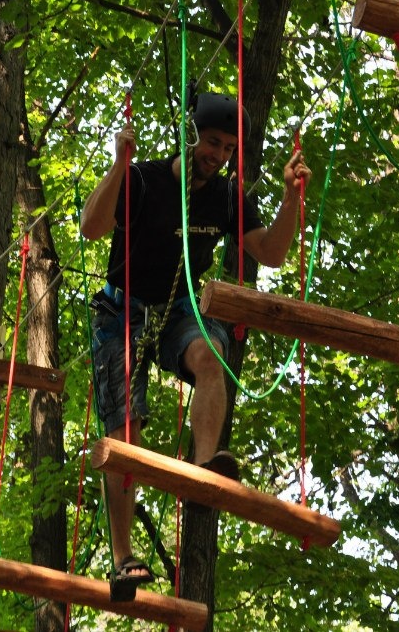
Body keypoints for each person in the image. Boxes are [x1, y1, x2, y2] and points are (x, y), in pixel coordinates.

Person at [79, 92, 311, 588]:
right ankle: (123, 555)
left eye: (228, 148)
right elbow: (90, 228)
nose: (218, 155)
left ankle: (205, 463)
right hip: (123, 308)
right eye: (211, 143)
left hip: (179, 307)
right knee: (125, 428)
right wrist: (119, 166)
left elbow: (269, 252)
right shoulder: (144, 179)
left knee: (212, 354)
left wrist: (291, 197)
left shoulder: (228, 196)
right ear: (191, 134)